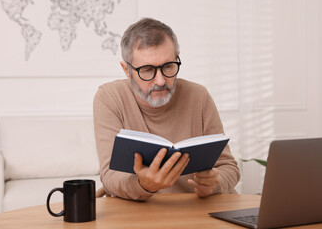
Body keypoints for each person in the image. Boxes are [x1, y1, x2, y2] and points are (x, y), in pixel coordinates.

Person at [93, 18, 240, 200]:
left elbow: (229, 167)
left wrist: (215, 183)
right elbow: (110, 177)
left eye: (168, 66)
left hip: (197, 208)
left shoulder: (199, 96)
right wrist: (142, 185)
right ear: (126, 70)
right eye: (147, 70)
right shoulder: (110, 97)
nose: (161, 81)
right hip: (142, 212)